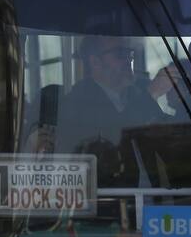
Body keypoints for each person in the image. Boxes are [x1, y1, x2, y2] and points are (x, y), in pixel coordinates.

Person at [54, 35, 166, 173]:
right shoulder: (76, 102)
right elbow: (113, 137)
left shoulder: (137, 94)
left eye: (129, 53)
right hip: (107, 192)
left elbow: (169, 134)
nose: (129, 59)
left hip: (151, 192)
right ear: (95, 62)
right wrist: (150, 95)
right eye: (120, 53)